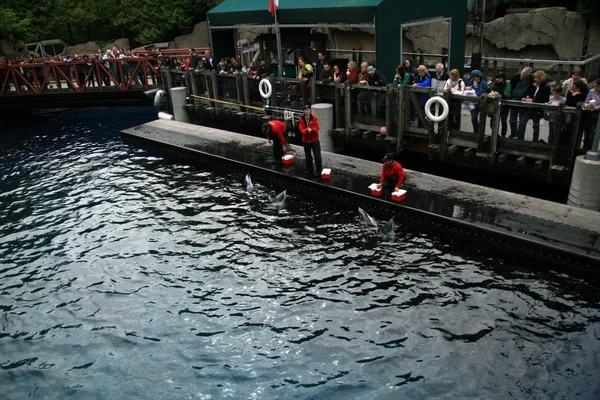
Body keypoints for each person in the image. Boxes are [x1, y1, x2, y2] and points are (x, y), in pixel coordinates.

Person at [520, 70, 550, 142]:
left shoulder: (546, 87)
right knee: (522, 123)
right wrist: (526, 98)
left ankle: (535, 141)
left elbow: (545, 99)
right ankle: (520, 139)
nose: (535, 79)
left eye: (536, 78)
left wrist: (533, 100)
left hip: (538, 109)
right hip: (529, 108)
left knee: (536, 125)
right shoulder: (533, 85)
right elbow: (529, 94)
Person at [298, 104, 323, 176]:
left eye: (308, 109)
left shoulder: (314, 118)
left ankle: (319, 170)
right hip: (306, 140)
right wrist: (307, 130)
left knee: (317, 156)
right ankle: (309, 169)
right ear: (304, 111)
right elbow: (301, 129)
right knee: (308, 156)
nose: (307, 111)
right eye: (306, 110)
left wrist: (311, 129)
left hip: (314, 140)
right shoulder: (301, 119)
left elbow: (317, 127)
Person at [486, 72, 511, 136]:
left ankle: (503, 135)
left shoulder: (507, 85)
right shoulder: (494, 84)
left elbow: (506, 94)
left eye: (499, 78)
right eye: (497, 78)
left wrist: (498, 93)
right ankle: (495, 135)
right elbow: (489, 91)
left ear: (503, 78)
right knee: (493, 122)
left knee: (503, 120)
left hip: (504, 105)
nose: (497, 79)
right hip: (494, 104)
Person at [465, 69, 487, 135]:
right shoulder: (471, 82)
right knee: (474, 118)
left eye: (477, 77)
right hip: (473, 103)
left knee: (482, 119)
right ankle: (475, 131)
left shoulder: (483, 83)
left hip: (481, 103)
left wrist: (477, 86)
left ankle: (481, 133)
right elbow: (468, 89)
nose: (476, 78)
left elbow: (481, 92)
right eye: (475, 77)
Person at [582, 78, 600, 151]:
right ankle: (585, 150)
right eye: (595, 86)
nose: (595, 88)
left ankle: (592, 149)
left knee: (593, 134)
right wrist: (587, 106)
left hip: (597, 116)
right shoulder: (592, 92)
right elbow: (586, 102)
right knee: (587, 134)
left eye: (597, 86)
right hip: (589, 114)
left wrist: (595, 108)